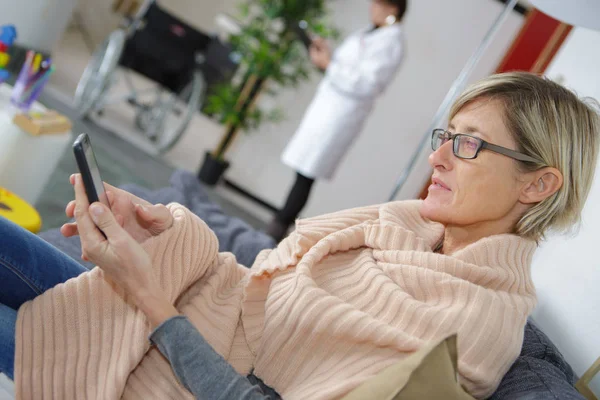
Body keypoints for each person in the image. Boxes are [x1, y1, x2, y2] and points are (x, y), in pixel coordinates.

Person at [1, 72, 599, 400]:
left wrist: (152, 301)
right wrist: (163, 230)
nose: (439, 157)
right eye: (446, 135)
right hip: (160, 321)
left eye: (469, 144)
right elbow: (258, 280)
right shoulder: (406, 228)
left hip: (157, 366)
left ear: (538, 185)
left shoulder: (470, 329)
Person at [267, 0, 409, 241]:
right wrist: (327, 57)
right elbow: (347, 68)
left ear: (392, 8)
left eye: (377, 2)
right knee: (303, 170)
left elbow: (367, 84)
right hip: (329, 107)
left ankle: (278, 226)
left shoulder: (391, 41)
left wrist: (330, 65)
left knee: (307, 173)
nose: (371, 6)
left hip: (341, 113)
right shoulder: (371, 33)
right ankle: (279, 224)